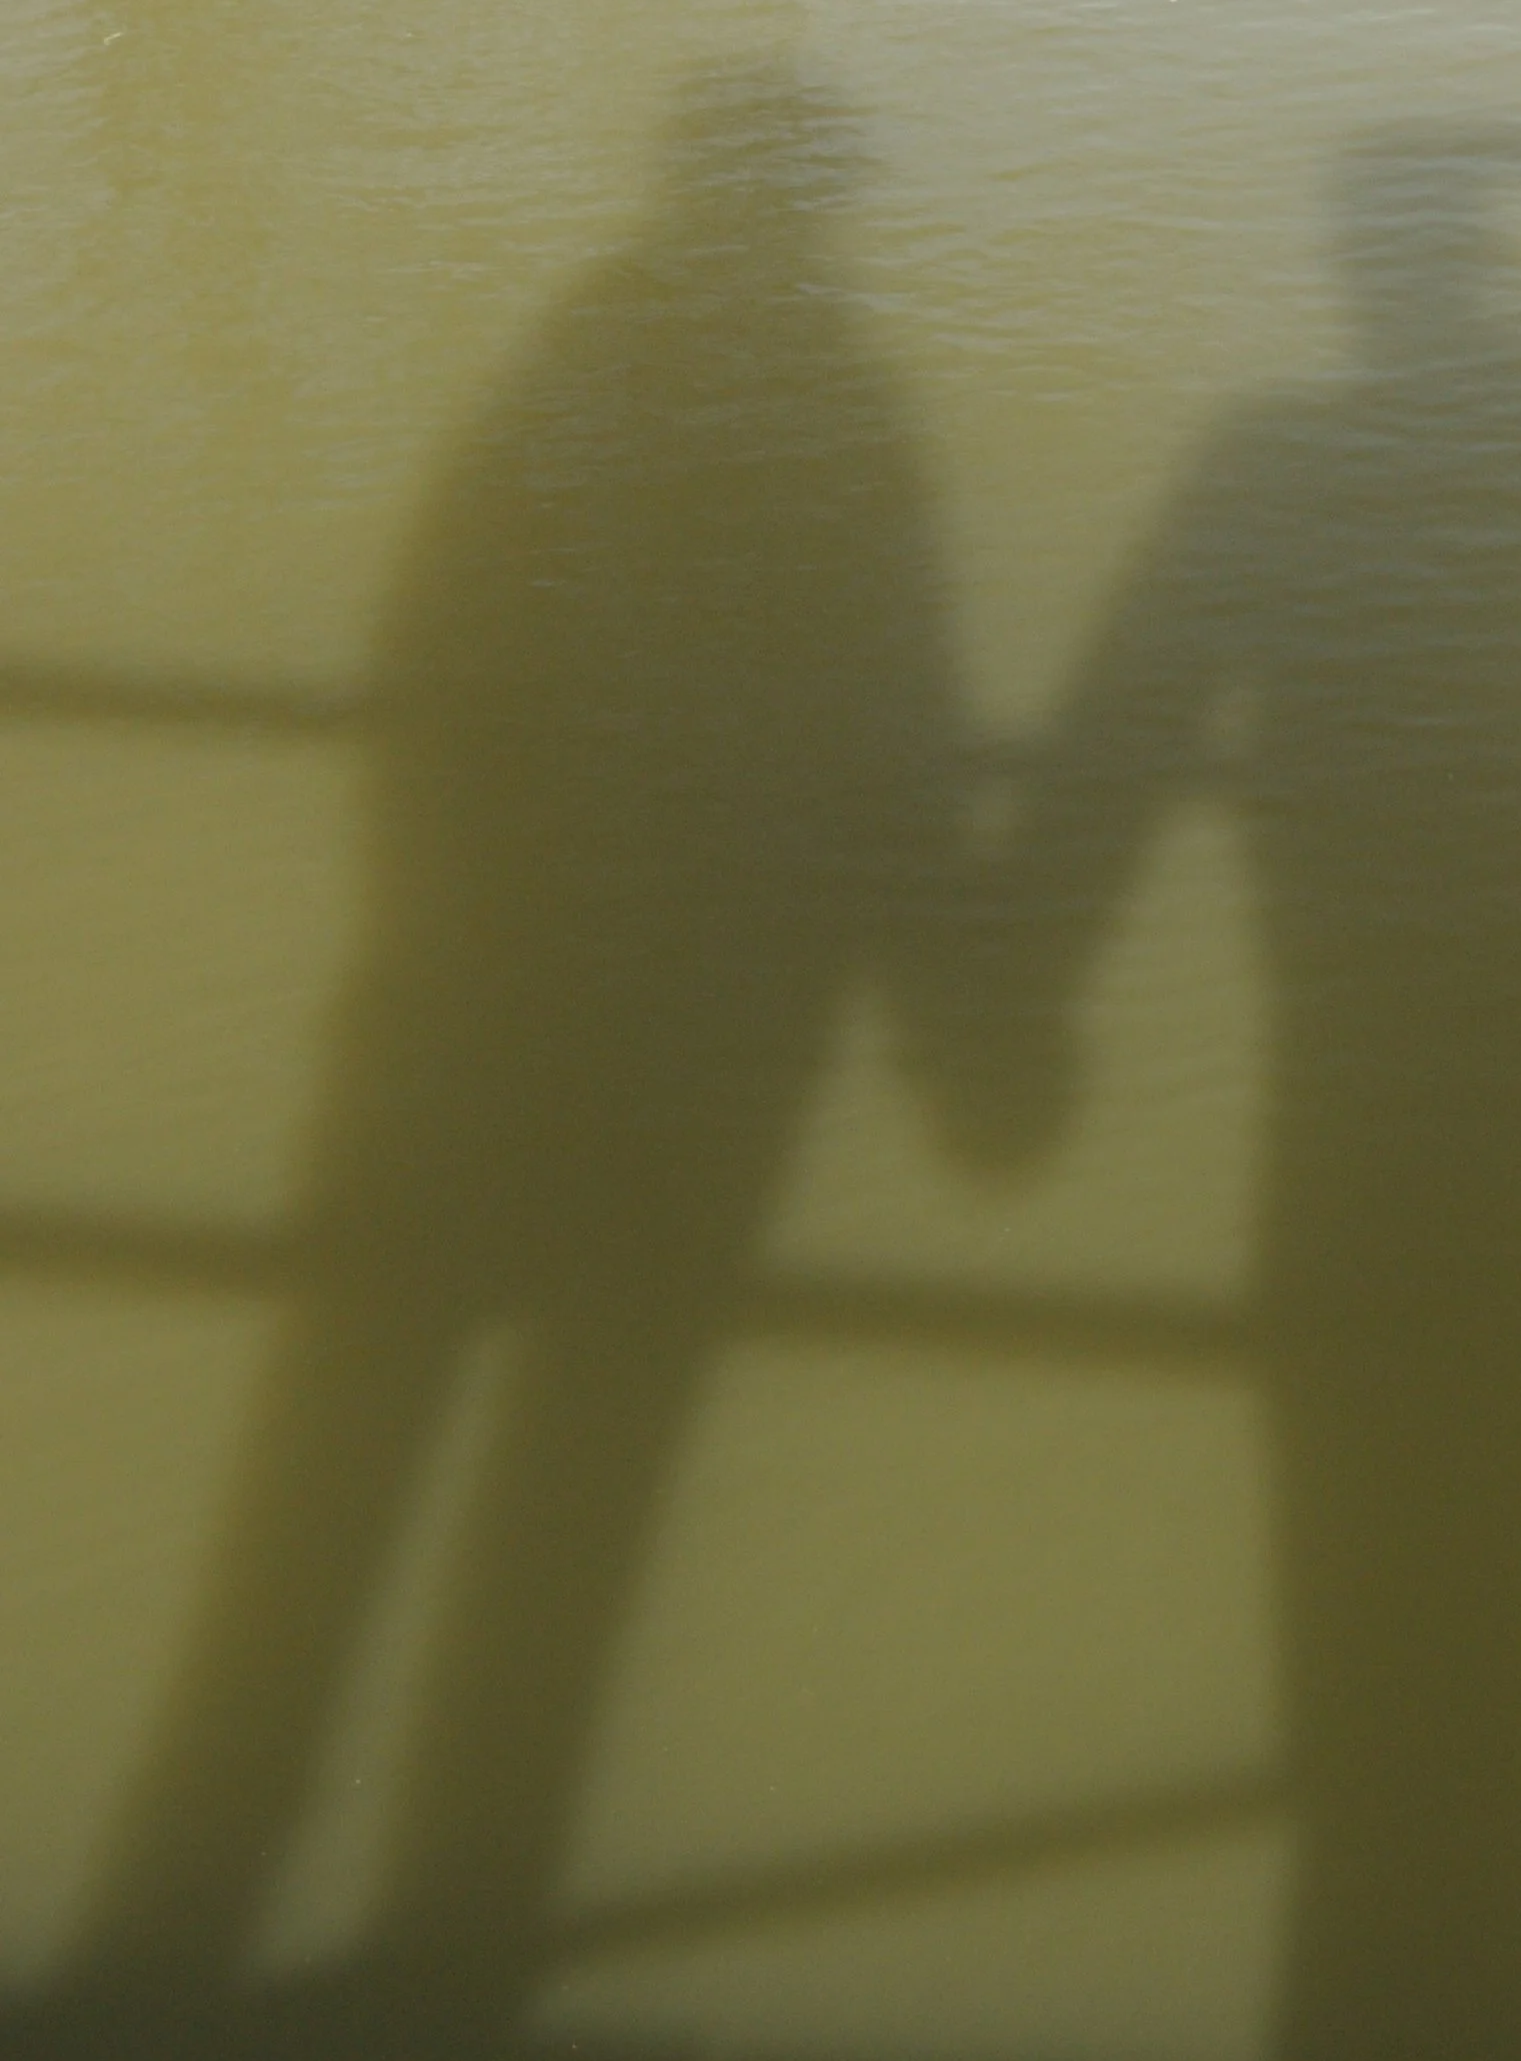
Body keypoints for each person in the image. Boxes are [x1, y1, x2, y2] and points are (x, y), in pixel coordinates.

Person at [56, 57, 976, 2057]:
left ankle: (169, 1937)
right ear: (810, 205)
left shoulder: (579, 381)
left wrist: (441, 959)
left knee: (319, 1510)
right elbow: (897, 754)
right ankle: (459, 1949)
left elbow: (435, 681)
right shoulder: (842, 421)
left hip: (457, 1057)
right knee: (559, 1532)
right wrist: (966, 1039)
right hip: (690, 1078)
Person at [980, 122, 1521, 2061]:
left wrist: (1009, 1018)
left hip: (1366, 1173)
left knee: (1377, 1711)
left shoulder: (1276, 474)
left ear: (1357, 283)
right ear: (1482, 272)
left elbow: (1113, 749)